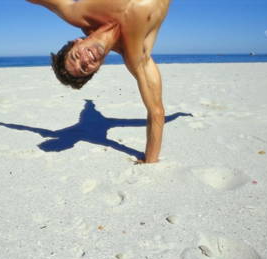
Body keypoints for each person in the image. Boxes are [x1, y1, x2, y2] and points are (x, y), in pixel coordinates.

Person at [27, 0, 172, 163]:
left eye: (76, 56)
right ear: (96, 70)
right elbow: (156, 112)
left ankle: (89, 103)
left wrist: (89, 106)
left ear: (77, 42)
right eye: (84, 68)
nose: (85, 60)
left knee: (88, 109)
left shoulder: (79, 13)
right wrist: (150, 160)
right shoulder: (136, 57)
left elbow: (49, 3)